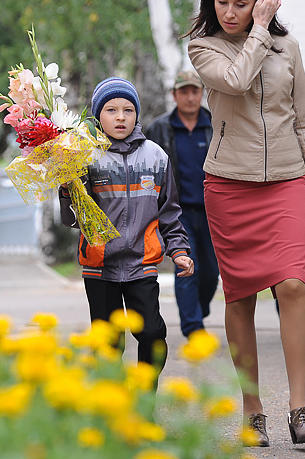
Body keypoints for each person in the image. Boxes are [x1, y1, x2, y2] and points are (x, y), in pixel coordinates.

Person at [186, 0, 305, 447]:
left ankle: (299, 408)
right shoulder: (203, 47)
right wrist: (259, 28)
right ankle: (252, 409)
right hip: (229, 185)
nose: (230, 12)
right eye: (222, 1)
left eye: (241, 3)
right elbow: (237, 81)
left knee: (293, 285)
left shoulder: (289, 48)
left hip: (284, 183)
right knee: (239, 297)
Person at [59, 76, 194, 383]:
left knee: (152, 333)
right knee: (108, 343)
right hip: (99, 266)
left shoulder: (156, 157)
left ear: (137, 115)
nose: (120, 117)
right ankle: (114, 410)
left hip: (142, 264)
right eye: (111, 110)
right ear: (97, 116)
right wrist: (67, 189)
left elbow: (169, 212)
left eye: (128, 110)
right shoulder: (82, 157)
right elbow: (71, 220)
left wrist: (180, 250)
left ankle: (145, 404)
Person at [145, 70, 220, 338]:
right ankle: (193, 327)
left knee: (211, 272)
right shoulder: (159, 128)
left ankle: (198, 310)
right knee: (187, 266)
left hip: (214, 211)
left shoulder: (217, 124)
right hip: (177, 213)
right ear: (174, 95)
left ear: (202, 94)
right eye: (184, 92)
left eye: (195, 91)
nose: (190, 97)